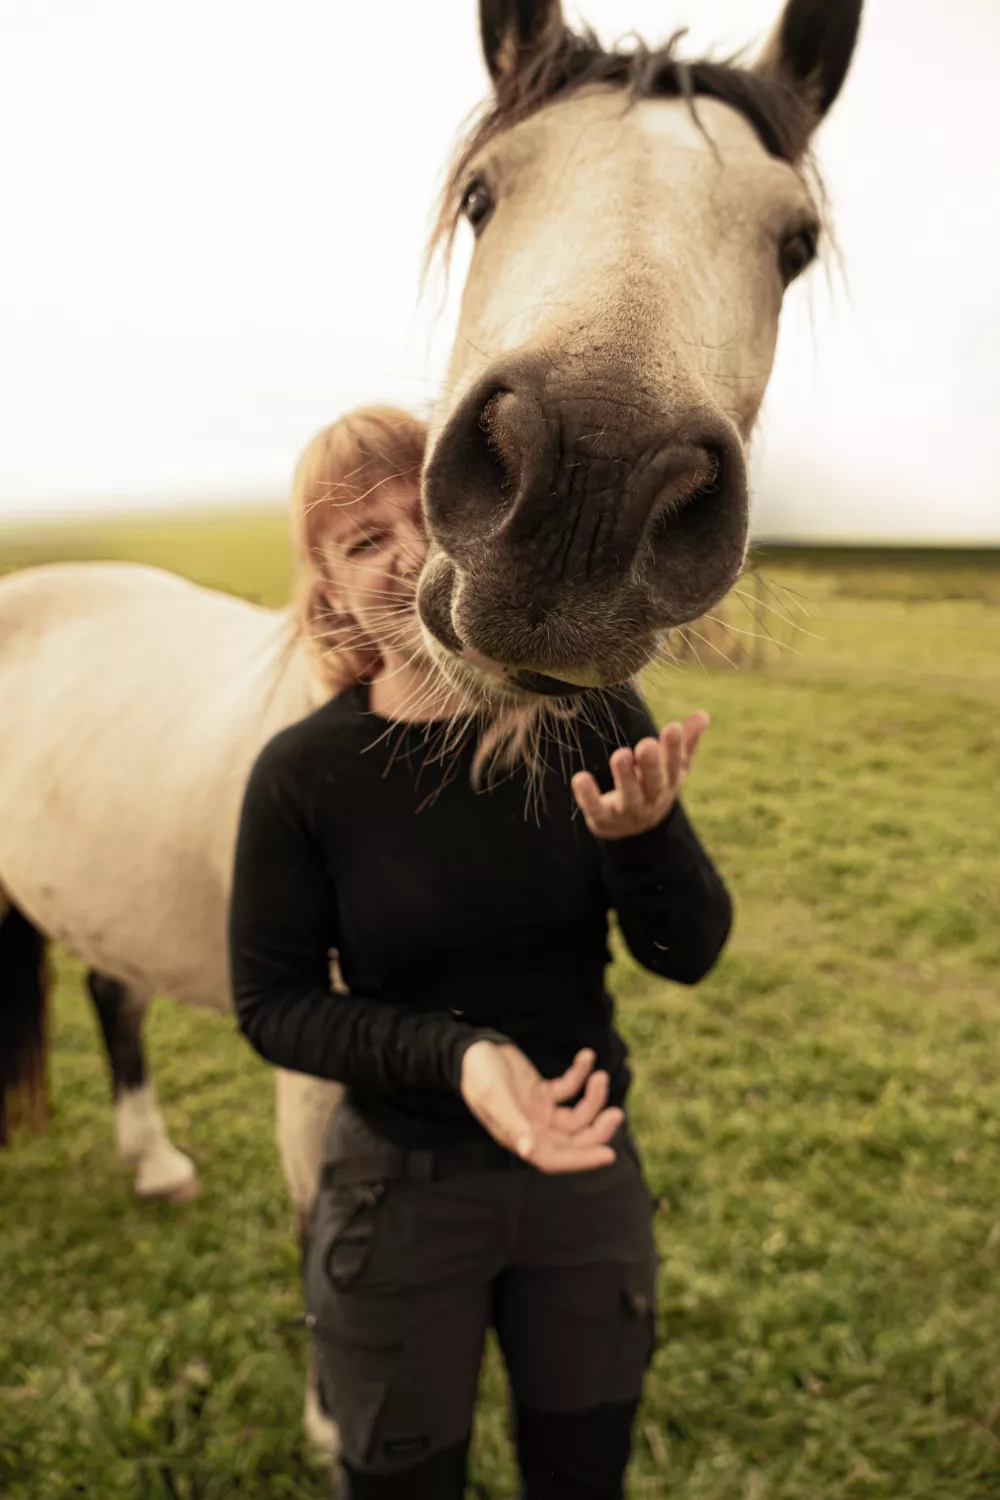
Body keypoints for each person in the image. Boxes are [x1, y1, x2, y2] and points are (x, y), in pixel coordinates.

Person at [229, 404, 733, 1499]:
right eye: (363, 541)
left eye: (425, 512)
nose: (404, 551)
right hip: (396, 1195)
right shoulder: (303, 776)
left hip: (585, 1171)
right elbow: (271, 1005)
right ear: (325, 588)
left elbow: (687, 952)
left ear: (484, 522)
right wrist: (455, 1057)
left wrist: (645, 847)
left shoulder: (586, 717)